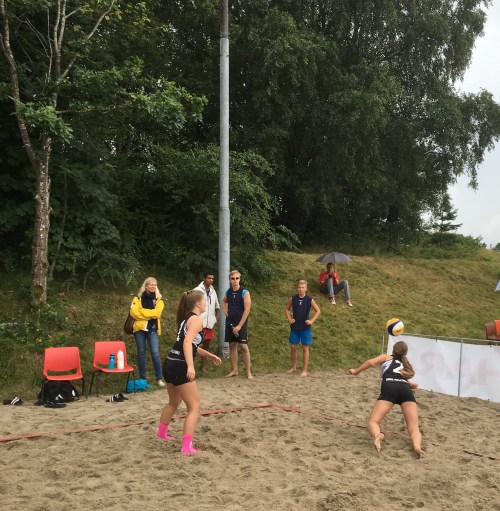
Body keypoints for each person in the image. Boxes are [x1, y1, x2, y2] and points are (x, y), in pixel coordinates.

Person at [157, 290, 222, 454]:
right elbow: (187, 343)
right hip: (180, 366)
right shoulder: (197, 320)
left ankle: (161, 433)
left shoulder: (186, 318)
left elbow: (190, 345)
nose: (206, 304)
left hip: (170, 362)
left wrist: (209, 355)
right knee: (194, 407)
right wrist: (191, 366)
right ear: (197, 304)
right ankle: (186, 447)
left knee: (173, 402)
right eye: (205, 301)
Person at [348, 340, 424, 457]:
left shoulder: (386, 357)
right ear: (405, 353)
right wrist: (412, 385)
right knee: (414, 427)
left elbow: (370, 362)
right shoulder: (404, 364)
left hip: (390, 387)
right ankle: (417, 446)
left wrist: (355, 371)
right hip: (405, 389)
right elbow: (409, 382)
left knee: (373, 422)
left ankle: (378, 435)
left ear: (393, 350)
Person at [130, 277, 166, 387]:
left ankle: (159, 379)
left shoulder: (159, 299)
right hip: (139, 329)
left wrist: (142, 312)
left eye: (155, 285)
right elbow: (134, 313)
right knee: (141, 353)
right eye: (151, 285)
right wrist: (150, 313)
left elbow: (157, 313)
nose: (153, 287)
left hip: (152, 329)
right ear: (146, 286)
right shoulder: (137, 298)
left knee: (155, 353)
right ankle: (142, 379)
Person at [284, 280, 321, 377]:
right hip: (295, 328)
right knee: (293, 347)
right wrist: (290, 319)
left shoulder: (309, 299)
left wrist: (311, 321)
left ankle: (304, 370)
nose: (300, 289)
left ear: (306, 288)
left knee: (305, 348)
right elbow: (287, 309)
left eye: (302, 287)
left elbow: (318, 311)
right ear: (297, 288)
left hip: (305, 328)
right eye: (299, 287)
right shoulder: (293, 298)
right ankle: (293, 367)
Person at [222, 270, 253, 379]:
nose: (235, 280)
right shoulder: (228, 291)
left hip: (241, 322)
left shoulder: (244, 292)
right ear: (230, 280)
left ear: (239, 279)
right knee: (232, 345)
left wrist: (239, 326)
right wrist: (225, 310)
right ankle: (234, 370)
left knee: (243, 346)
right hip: (230, 322)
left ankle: (248, 372)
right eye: (233, 278)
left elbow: (247, 309)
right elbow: (223, 301)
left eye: (237, 278)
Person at [195, 271, 220, 372]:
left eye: (212, 279)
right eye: (209, 278)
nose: (211, 280)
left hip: (209, 323)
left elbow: (217, 305)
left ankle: (203, 367)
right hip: (199, 323)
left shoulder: (213, 291)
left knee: (206, 346)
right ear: (204, 278)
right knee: (193, 345)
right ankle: (189, 365)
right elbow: (192, 305)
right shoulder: (197, 290)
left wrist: (216, 317)